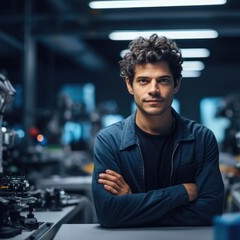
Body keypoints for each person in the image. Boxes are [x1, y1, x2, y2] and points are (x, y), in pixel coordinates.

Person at [92, 34, 225, 228]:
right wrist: (182, 192)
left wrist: (133, 206)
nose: (153, 90)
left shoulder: (202, 138)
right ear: (130, 85)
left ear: (176, 84)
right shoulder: (109, 140)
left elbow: (211, 211)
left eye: (163, 80)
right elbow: (108, 213)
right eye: (144, 81)